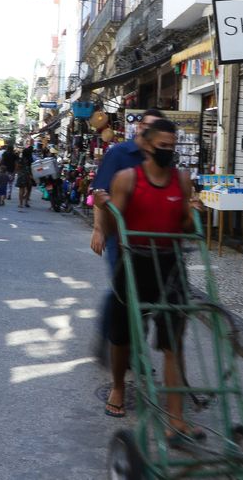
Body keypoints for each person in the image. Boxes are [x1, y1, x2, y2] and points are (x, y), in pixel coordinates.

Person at [97, 119, 203, 446]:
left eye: (173, 147)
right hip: (135, 261)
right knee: (123, 335)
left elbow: (185, 226)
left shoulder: (182, 181)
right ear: (147, 145)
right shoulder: (127, 179)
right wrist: (103, 215)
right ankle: (117, 386)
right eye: (163, 147)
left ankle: (176, 419)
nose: (168, 152)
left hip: (170, 264)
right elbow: (114, 225)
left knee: (174, 342)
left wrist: (194, 211)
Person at [89, 110, 167, 361]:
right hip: (120, 236)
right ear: (140, 126)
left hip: (150, 237)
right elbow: (100, 193)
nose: (147, 131)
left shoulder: (162, 156)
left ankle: (131, 346)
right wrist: (99, 229)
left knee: (145, 294)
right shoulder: (119, 153)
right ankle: (109, 336)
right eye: (144, 125)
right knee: (123, 289)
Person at [16, 139, 36, 208]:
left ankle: (20, 203)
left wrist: (19, 172)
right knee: (29, 189)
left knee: (21, 189)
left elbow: (17, 167)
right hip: (29, 176)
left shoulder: (21, 160)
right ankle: (26, 202)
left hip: (21, 175)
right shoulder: (31, 160)